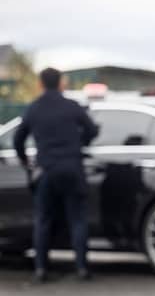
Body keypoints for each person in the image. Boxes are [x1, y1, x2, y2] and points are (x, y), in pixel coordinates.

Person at [13, 67, 99, 281]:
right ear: (61, 83)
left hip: (47, 170)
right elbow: (92, 129)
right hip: (72, 168)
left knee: (43, 220)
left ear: (41, 84)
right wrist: (80, 144)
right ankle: (81, 268)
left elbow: (18, 139)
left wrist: (25, 161)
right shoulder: (71, 107)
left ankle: (41, 269)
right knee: (78, 219)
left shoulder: (34, 108)